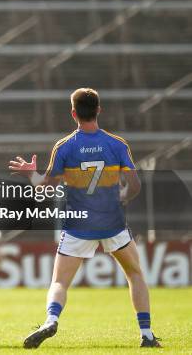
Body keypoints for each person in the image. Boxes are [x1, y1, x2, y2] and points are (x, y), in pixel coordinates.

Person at [9, 88, 161, 349]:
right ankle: (146, 334)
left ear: (73, 113)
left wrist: (31, 174)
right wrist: (120, 199)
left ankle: (51, 320)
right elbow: (134, 185)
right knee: (135, 273)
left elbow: (45, 187)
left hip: (78, 224)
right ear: (99, 110)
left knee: (59, 282)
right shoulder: (117, 144)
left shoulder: (65, 146)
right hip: (112, 222)